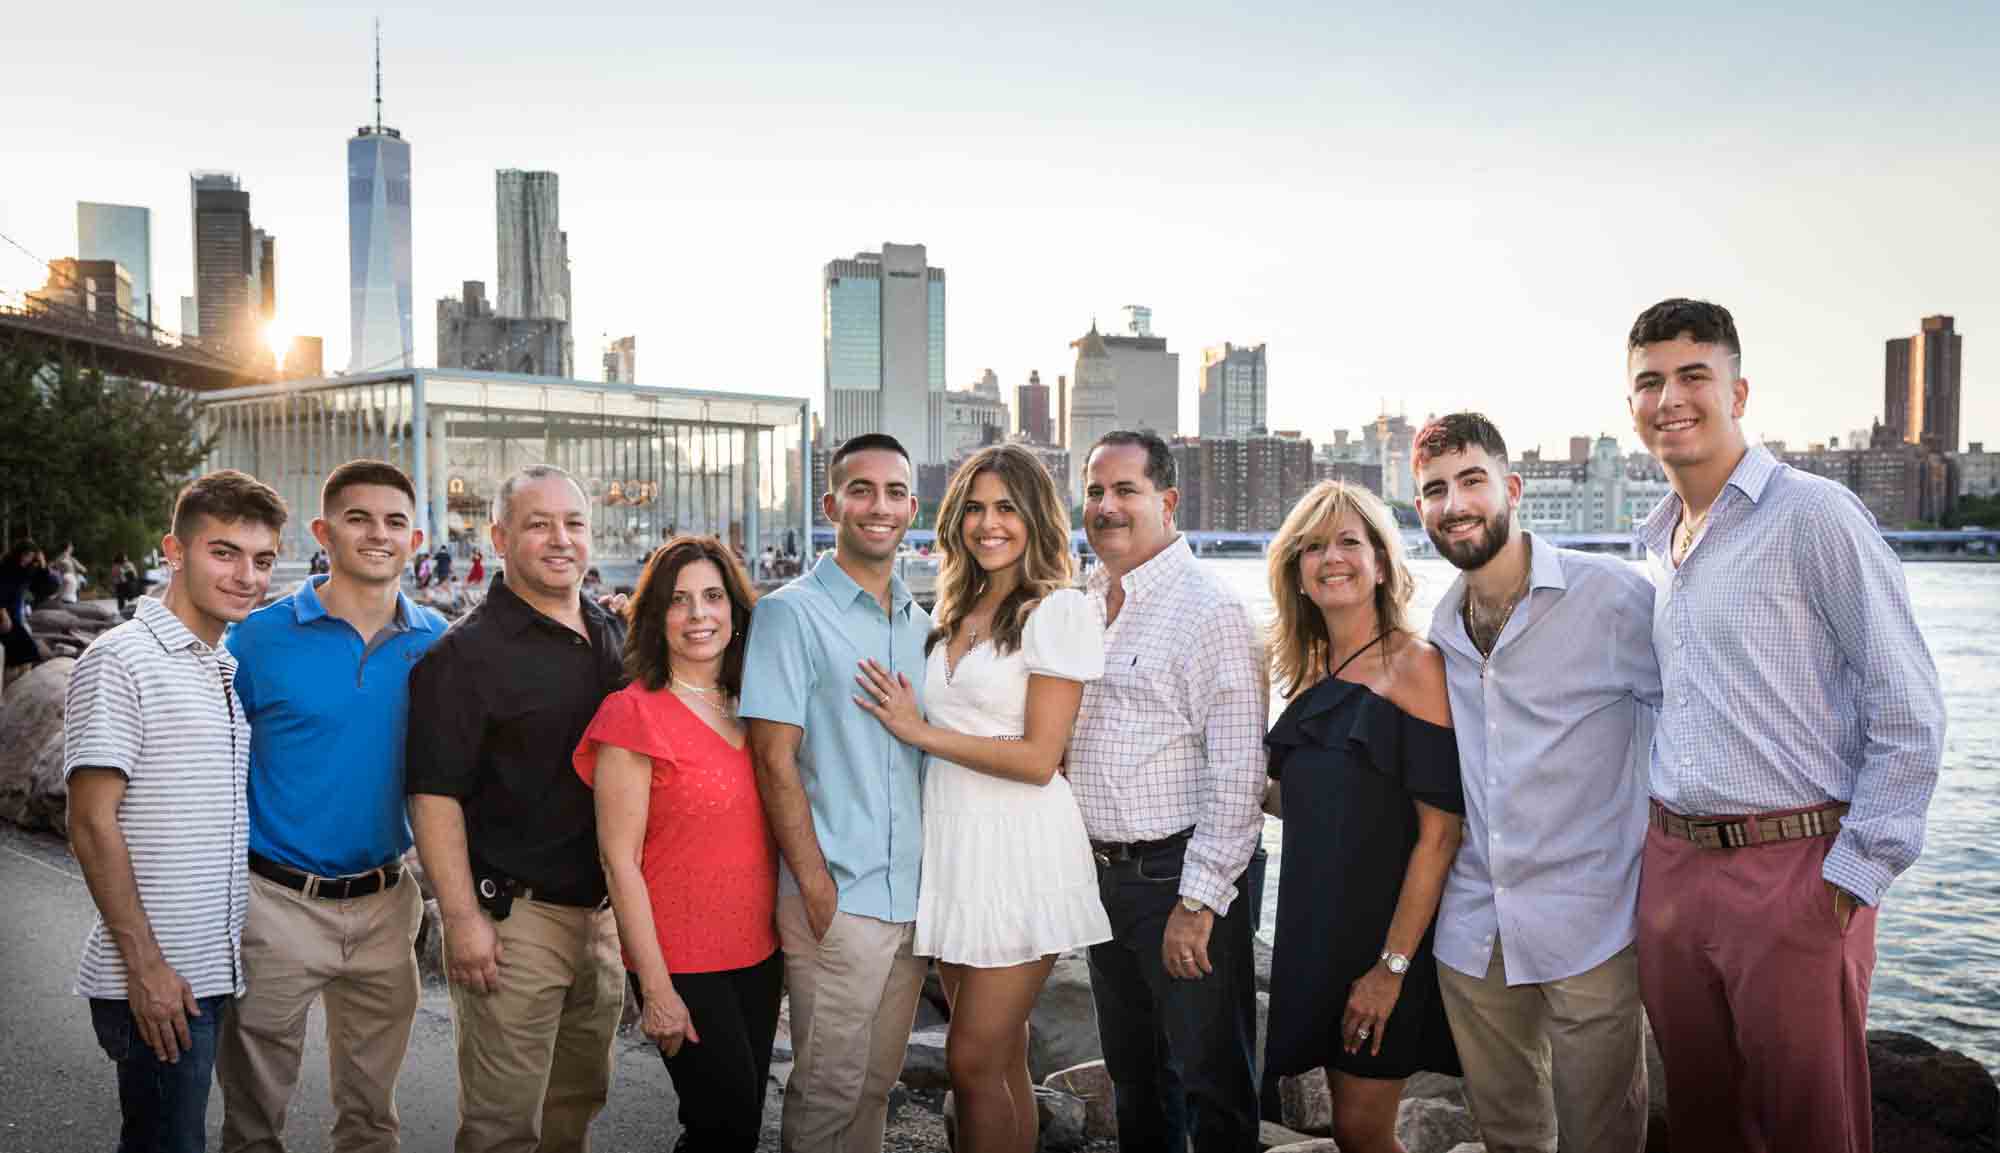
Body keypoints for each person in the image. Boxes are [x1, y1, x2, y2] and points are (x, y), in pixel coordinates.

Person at [1626, 299, 1945, 1153]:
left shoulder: (1814, 515)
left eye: (1694, 375)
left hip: (1793, 868)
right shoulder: (1655, 547)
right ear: (1632, 406)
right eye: (1650, 382)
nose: (1671, 398)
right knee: (1702, 1121)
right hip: (1672, 872)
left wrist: (1854, 872)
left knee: (1809, 1127)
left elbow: (1908, 707)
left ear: (1740, 389)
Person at [853, 444, 1113, 1153]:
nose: (987, 523)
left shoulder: (1058, 610)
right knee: (998, 1057)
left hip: (1019, 845)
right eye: (973, 507)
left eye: (1005, 507)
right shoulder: (956, 604)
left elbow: (1037, 758)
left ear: (1034, 516)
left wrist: (918, 731)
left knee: (968, 1059)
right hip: (956, 844)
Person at [1413, 413, 1658, 1153]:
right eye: (1433, 490)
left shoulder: (1614, 599)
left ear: (1511, 487)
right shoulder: (1443, 622)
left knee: (1604, 1138)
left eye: (1472, 481)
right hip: (1475, 929)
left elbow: (1699, 720)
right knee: (1509, 1136)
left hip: (1592, 924)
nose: (1454, 503)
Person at [217, 460, 447, 1153]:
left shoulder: (438, 642)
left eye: (395, 521)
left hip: (385, 904)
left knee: (372, 1118)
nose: (378, 534)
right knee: (255, 1117)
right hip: (276, 904)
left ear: (416, 537)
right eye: (358, 518)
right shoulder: (258, 638)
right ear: (324, 531)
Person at [406, 463, 629, 1153]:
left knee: (575, 1106)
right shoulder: (463, 656)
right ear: (499, 537)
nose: (560, 539)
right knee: (503, 1127)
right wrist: (461, 918)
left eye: (574, 523)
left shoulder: (612, 631)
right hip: (514, 923)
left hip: (603, 919)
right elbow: (433, 794)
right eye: (539, 524)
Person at [65, 470, 287, 1153]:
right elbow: (90, 822)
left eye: (262, 559)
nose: (246, 575)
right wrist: (148, 968)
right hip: (159, 981)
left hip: (207, 970)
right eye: (224, 552)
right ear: (174, 550)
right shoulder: (122, 660)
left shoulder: (215, 665)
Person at [1065, 430, 1266, 1153]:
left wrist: (1198, 901)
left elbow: (1238, 769)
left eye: (1126, 490)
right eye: (1095, 491)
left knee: (1213, 1081)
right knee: (1135, 1077)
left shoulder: (1209, 608)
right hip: (1101, 879)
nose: (1107, 506)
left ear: (1168, 500)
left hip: (1174, 879)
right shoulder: (1084, 601)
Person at [740, 432, 930, 1153]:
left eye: (893, 492)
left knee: (875, 1088)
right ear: (832, 504)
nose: (877, 506)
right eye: (861, 489)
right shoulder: (790, 613)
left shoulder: (921, 625)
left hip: (910, 901)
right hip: (837, 899)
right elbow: (772, 759)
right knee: (824, 1094)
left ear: (912, 507)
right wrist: (815, 883)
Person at [1262, 480, 1463, 1153]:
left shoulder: (1416, 666)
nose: (1331, 557)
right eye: (1313, 546)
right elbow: (1307, 801)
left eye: (1350, 541)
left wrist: (1391, 969)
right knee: (1353, 1131)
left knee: (1363, 1129)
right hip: (1316, 928)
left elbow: (1440, 835)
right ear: (1297, 570)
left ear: (1382, 561)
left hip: (1385, 941)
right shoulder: (1312, 670)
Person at [575, 535, 780, 1152]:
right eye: (679, 600)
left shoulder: (759, 707)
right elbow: (619, 862)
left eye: (713, 597)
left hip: (759, 954)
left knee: (734, 1127)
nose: (698, 616)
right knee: (724, 1124)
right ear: (654, 615)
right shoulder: (632, 714)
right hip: (682, 960)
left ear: (735, 610)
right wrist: (658, 992)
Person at [1, 540, 59, 677]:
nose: (27, 559)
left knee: (27, 653)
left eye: (31, 556)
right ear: (18, 553)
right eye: (26, 555)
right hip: (5, 614)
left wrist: (43, 564)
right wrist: (3, 614)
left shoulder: (27, 570)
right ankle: (15, 685)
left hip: (15, 615)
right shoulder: (5, 568)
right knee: (27, 650)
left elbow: (49, 587)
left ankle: (19, 682)